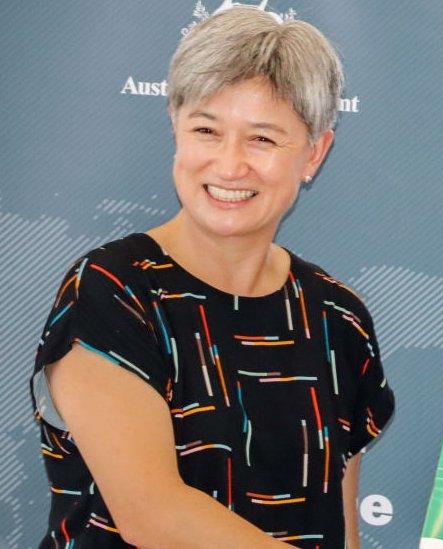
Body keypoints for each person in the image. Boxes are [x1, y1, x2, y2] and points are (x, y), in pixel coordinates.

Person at [29, 7, 393, 548]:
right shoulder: (114, 290)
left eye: (262, 140)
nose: (228, 165)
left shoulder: (337, 316)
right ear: (175, 128)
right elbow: (152, 515)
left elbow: (338, 523)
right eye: (207, 129)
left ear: (314, 153)